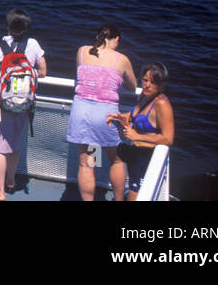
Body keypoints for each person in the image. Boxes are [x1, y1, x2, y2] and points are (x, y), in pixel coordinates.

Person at [0, 8, 47, 201]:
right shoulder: (32, 45)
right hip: (22, 105)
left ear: (7, 26)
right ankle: (11, 180)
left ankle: (0, 191)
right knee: (14, 144)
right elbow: (43, 70)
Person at [66, 24, 137, 201]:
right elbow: (132, 86)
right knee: (116, 160)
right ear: (117, 39)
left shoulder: (82, 51)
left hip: (81, 112)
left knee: (87, 163)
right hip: (105, 116)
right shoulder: (121, 59)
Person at [109, 62, 175, 200]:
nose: (147, 85)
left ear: (161, 85)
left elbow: (168, 138)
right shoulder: (144, 96)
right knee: (106, 152)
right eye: (145, 80)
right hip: (135, 150)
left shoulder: (161, 104)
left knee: (134, 192)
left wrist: (137, 137)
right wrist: (120, 116)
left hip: (146, 156)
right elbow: (134, 115)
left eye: (153, 82)